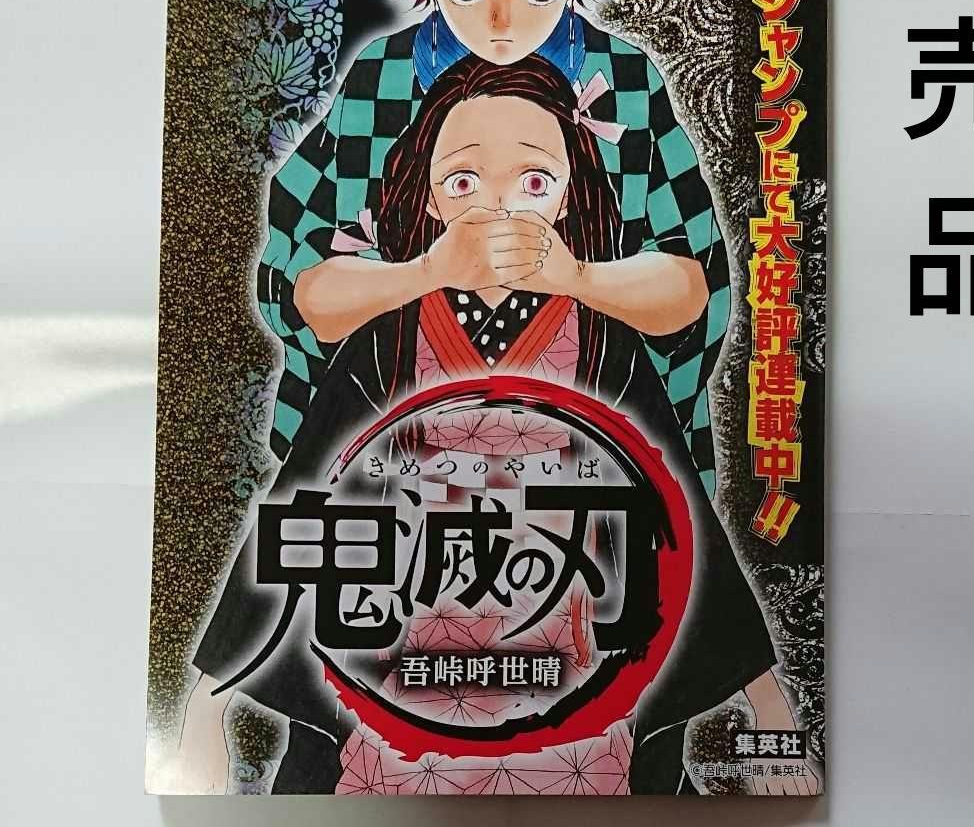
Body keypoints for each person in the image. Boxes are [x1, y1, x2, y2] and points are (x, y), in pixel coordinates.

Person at [177, 55, 815, 795]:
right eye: (463, 181)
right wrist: (206, 707)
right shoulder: (388, 340)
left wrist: (770, 707)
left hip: (567, 642)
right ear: (431, 198)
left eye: (534, 182)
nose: (498, 207)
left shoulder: (601, 338)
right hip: (410, 642)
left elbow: (677, 516)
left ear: (569, 197)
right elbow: (307, 498)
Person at [259, 0, 732, 508]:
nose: (501, 20)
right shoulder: (382, 78)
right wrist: (428, 271)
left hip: (589, 436)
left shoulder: (626, 83)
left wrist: (574, 276)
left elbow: (694, 289)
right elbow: (303, 287)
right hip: (396, 442)